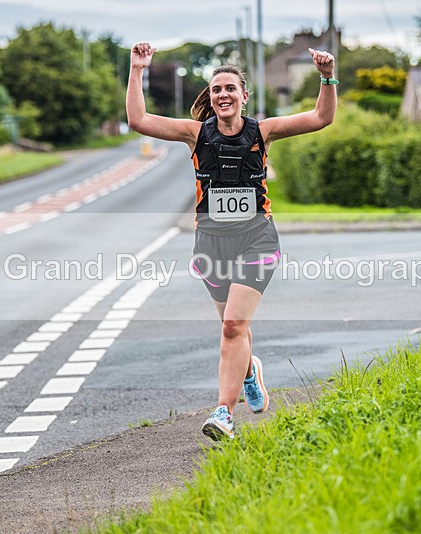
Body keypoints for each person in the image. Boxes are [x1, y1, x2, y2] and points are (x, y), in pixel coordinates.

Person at [126, 42, 337, 440]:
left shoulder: (263, 131)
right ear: (211, 97)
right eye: (216, 89)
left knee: (232, 327)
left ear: (244, 96)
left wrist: (327, 77)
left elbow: (321, 117)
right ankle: (249, 370)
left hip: (257, 240)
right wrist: (138, 69)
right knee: (233, 326)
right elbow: (138, 120)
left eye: (230, 88)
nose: (223, 94)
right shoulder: (195, 134)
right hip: (211, 245)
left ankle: (224, 412)